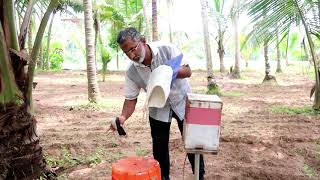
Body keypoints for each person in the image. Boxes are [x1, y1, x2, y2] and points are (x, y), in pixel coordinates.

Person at [111, 27, 205, 180]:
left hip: (182, 100)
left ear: (143, 41)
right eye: (126, 52)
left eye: (133, 49)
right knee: (159, 146)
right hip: (158, 106)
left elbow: (188, 71)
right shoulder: (131, 71)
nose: (131, 55)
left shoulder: (166, 49)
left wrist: (168, 72)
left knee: (192, 142)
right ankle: (162, 177)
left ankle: (200, 175)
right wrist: (122, 117)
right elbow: (130, 99)